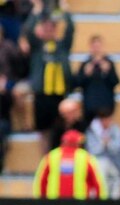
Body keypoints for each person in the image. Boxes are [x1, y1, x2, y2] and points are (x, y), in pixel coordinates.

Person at [21, 2, 74, 151]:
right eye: (46, 27)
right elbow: (28, 31)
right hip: (42, 94)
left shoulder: (62, 46)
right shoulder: (38, 46)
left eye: (52, 27)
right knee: (43, 130)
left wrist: (66, 12)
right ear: (42, 29)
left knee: (59, 129)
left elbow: (71, 30)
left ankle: (59, 157)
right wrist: (36, 12)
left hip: (59, 93)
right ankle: (45, 161)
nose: (49, 30)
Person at [33, 129, 107, 200]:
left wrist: (41, 202)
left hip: (54, 204)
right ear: (78, 143)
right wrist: (100, 204)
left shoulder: (51, 156)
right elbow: (98, 184)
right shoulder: (86, 158)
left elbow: (40, 181)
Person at [75, 34, 119, 124]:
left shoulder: (109, 63)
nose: (96, 49)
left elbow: (115, 82)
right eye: (94, 46)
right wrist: (85, 74)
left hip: (106, 105)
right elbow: (76, 83)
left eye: (98, 46)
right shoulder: (85, 63)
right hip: (89, 105)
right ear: (90, 47)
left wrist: (108, 71)